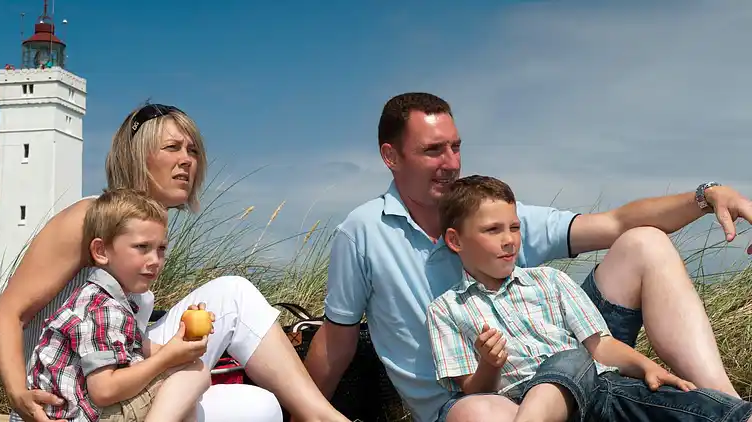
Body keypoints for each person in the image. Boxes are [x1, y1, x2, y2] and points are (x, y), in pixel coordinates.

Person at [303, 92, 752, 422]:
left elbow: (616, 222)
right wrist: (301, 412)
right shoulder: (363, 232)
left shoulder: (498, 218)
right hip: (475, 398)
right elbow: (336, 341)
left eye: (455, 147)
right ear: (391, 156)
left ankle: (725, 402)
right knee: (480, 413)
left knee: (645, 242)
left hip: (572, 360)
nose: (451, 162)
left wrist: (707, 195)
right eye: (432, 150)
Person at [0, 103, 350, 422]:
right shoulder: (89, 217)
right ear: (137, 156)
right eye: (172, 147)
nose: (187, 160)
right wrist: (18, 394)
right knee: (234, 295)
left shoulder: (146, 233)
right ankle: (321, 417)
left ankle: (315, 414)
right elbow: (9, 313)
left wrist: (175, 349)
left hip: (112, 376)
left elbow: (126, 335)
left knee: (260, 408)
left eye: (193, 150)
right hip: (69, 397)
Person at [426, 175, 752, 422]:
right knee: (564, 360)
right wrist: (489, 364)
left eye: (514, 227)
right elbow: (473, 389)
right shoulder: (446, 309)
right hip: (521, 400)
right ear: (455, 241)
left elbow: (600, 345)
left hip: (599, 388)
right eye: (492, 230)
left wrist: (646, 366)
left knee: (698, 407)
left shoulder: (549, 280)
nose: (509, 240)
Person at [24, 188, 211, 422]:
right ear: (101, 251)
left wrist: (184, 340)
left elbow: (141, 348)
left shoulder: (102, 299)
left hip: (77, 412)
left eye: (161, 248)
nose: (155, 260)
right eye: (142, 247)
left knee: (184, 390)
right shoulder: (104, 309)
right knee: (195, 372)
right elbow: (103, 391)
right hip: (89, 415)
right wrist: (167, 357)